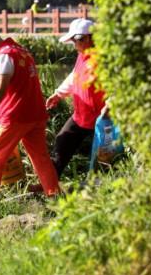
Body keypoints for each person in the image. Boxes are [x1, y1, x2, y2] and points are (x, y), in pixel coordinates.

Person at [0, 25, 60, 197]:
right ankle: (54, 194)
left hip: (16, 116)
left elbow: (0, 90)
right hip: (36, 114)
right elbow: (20, 85)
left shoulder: (3, 57)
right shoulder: (19, 50)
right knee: (40, 157)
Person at [45, 19, 106, 178]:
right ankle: (50, 183)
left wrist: (111, 105)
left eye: (75, 40)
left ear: (87, 38)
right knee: (62, 142)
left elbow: (117, 84)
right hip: (81, 115)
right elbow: (74, 77)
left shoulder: (103, 58)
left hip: (103, 117)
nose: (73, 44)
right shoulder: (82, 55)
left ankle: (100, 186)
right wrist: (58, 94)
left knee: (103, 154)